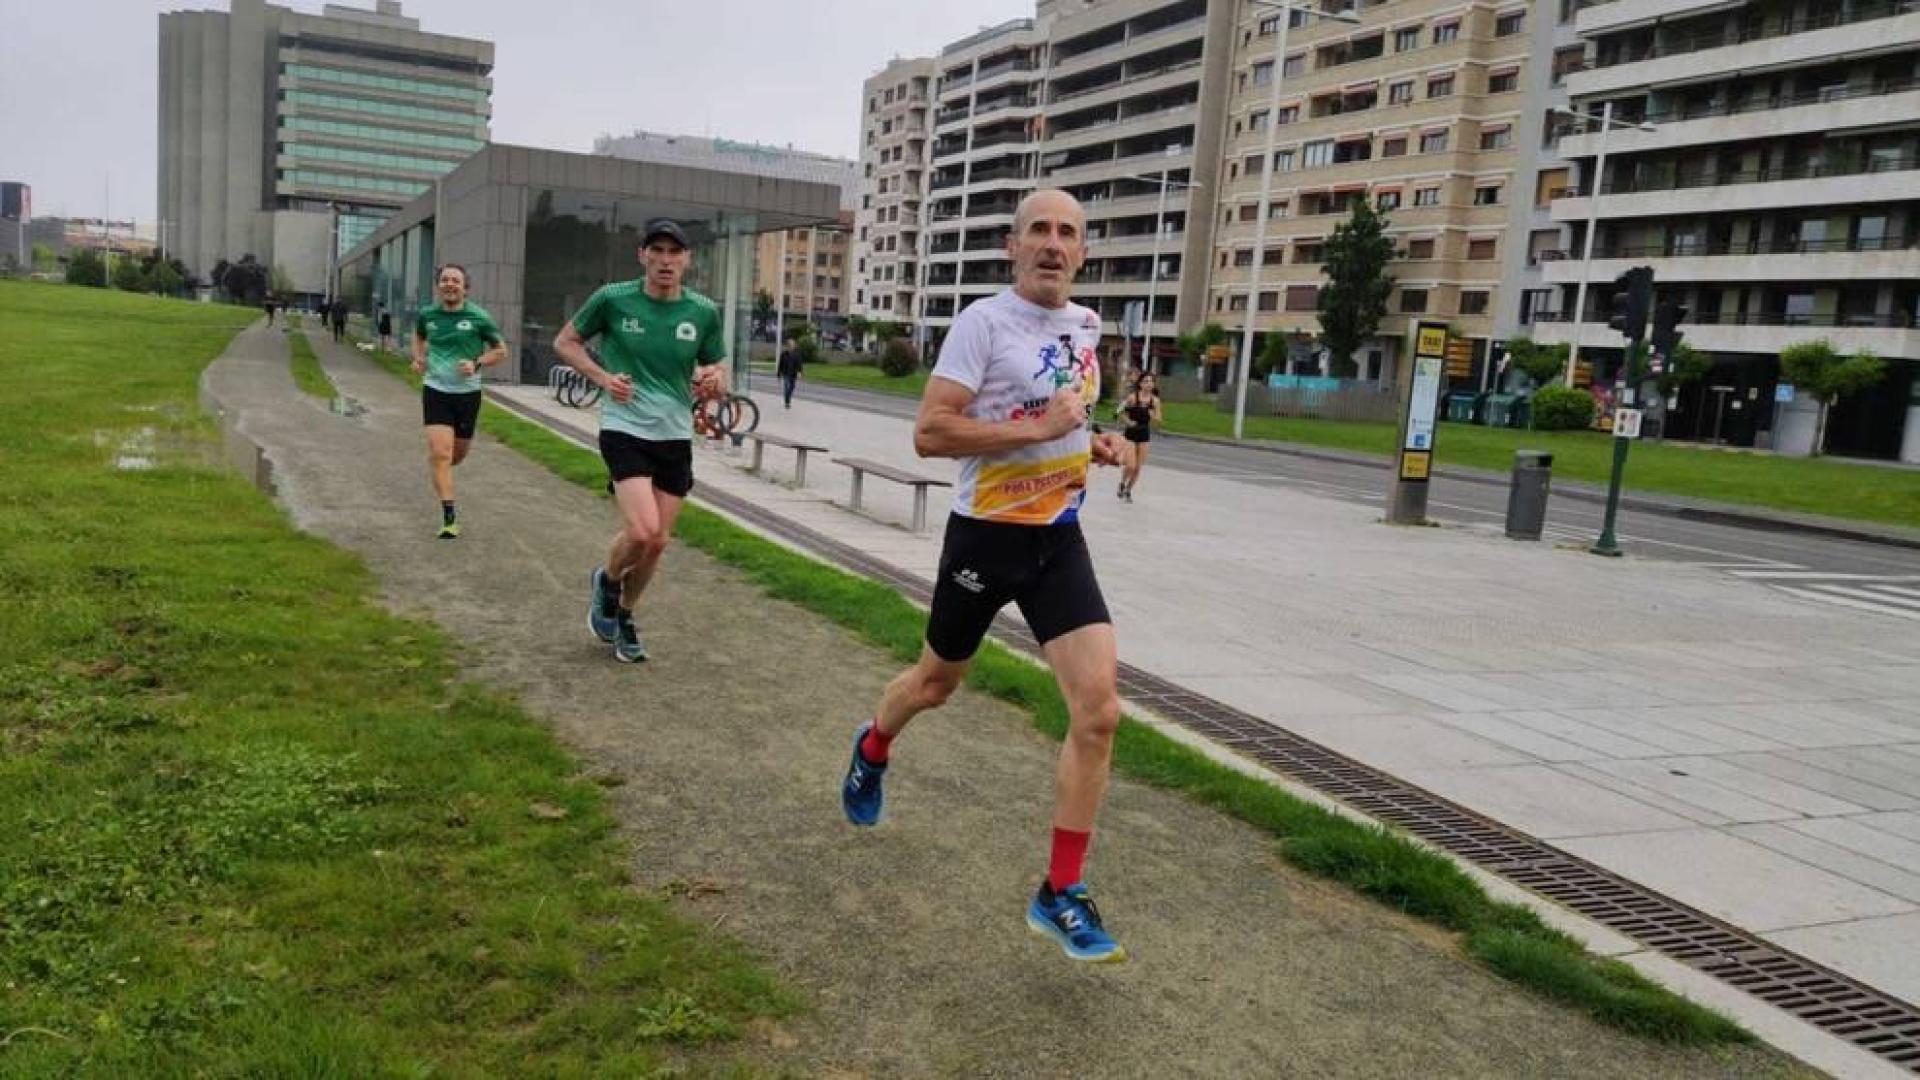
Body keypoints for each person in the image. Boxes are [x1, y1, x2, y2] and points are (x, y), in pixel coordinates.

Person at [838, 189, 1132, 963]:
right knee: (936, 684)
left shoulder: (1086, 326)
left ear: (1083, 254)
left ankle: (1059, 891)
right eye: (1039, 229)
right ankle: (872, 747)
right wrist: (1037, 431)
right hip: (984, 540)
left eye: (1068, 233)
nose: (1053, 243)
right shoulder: (981, 323)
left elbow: (1067, 414)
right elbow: (930, 433)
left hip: (1057, 542)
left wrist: (1091, 444)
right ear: (1013, 245)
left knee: (1099, 713)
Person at [553, 218, 729, 664]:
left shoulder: (703, 311)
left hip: (674, 433)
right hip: (624, 425)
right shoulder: (613, 299)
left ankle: (625, 615)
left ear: (687, 260)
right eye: (658, 251)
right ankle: (608, 581)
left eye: (675, 252)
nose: (666, 260)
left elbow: (719, 373)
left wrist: (713, 381)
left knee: (658, 542)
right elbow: (566, 342)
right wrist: (603, 377)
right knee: (641, 530)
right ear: (643, 256)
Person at [411, 264, 506, 539]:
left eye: (455, 280)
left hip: (467, 395)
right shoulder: (428, 315)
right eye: (444, 280)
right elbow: (418, 335)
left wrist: (476, 363)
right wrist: (419, 357)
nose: (450, 284)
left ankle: (441, 472)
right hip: (436, 391)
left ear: (465, 287)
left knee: (457, 455)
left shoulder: (478, 317)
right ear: (438, 286)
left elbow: (501, 351)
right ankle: (449, 516)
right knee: (440, 453)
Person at [1116, 372, 1162, 502]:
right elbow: (1119, 412)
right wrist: (1128, 422)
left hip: (1144, 434)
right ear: (1140, 384)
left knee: (1137, 467)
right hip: (1131, 433)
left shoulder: (1155, 401)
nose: (1149, 384)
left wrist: (1152, 415)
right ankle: (1122, 483)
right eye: (1146, 381)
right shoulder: (1132, 397)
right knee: (1130, 465)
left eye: (1151, 382)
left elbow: (1159, 419)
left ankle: (1128, 490)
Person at [776, 337, 802, 409]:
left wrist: (799, 372)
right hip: (786, 374)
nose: (790, 346)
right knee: (787, 387)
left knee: (792, 387)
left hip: (793, 374)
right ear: (787, 346)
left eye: (792, 345)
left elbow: (799, 364)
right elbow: (780, 364)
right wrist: (779, 374)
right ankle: (787, 402)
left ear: (794, 346)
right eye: (789, 345)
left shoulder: (797, 354)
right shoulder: (783, 354)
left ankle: (788, 398)